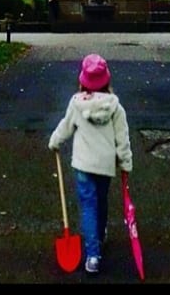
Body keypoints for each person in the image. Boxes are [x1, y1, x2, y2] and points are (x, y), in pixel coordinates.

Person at [48, 53, 133, 276]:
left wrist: (55, 141)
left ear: (82, 80)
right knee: (101, 201)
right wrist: (125, 163)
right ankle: (99, 234)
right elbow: (122, 139)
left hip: (83, 165)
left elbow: (66, 126)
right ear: (107, 81)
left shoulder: (76, 104)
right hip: (105, 166)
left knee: (88, 206)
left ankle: (93, 255)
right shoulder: (115, 107)